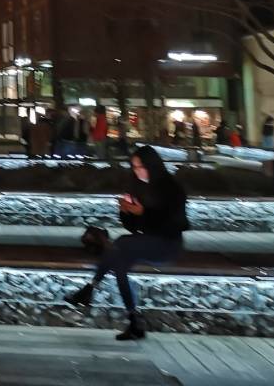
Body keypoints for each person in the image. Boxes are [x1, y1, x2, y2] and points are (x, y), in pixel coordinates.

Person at [65, 145, 189, 340]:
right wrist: (126, 212)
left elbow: (176, 225)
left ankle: (89, 289)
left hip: (168, 245)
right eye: (134, 167)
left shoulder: (171, 188)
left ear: (152, 165)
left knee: (121, 243)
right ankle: (133, 321)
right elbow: (134, 228)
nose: (137, 171)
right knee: (119, 263)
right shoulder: (138, 187)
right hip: (146, 242)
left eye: (140, 167)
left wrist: (144, 213)